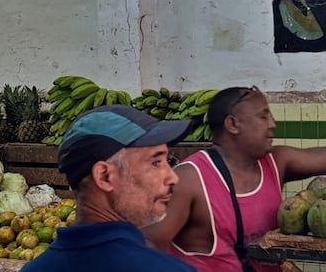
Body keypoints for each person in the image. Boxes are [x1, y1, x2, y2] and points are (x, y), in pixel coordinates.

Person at [144, 86, 326, 272]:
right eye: (263, 116)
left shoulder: (276, 162)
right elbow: (148, 249)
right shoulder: (191, 179)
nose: (272, 124)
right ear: (233, 124)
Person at [22, 105, 196, 272]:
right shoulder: (166, 269)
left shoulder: (34, 269)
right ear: (104, 176)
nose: (173, 177)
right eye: (156, 162)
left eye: (167, 161)